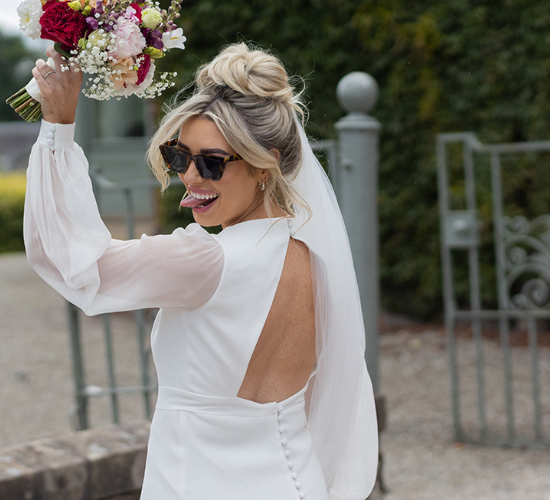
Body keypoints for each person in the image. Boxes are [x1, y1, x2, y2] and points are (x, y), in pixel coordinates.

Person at [24, 42, 378, 500]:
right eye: (178, 156)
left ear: (265, 165)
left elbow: (71, 262)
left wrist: (57, 126)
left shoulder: (206, 260)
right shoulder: (316, 260)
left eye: (211, 162)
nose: (190, 177)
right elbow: (334, 397)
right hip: (297, 482)